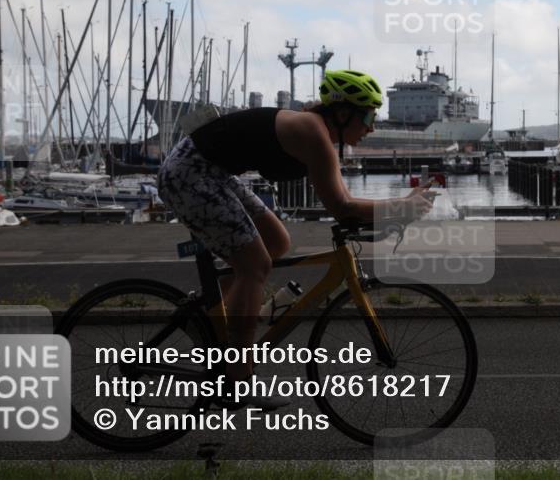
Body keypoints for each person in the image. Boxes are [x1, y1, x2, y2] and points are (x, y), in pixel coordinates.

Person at [157, 69, 435, 408]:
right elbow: (342, 206)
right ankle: (238, 378)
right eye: (368, 116)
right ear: (342, 113)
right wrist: (400, 207)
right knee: (255, 265)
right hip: (189, 175)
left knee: (277, 242)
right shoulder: (312, 132)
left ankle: (207, 314)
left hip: (210, 172)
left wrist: (397, 209)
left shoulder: (318, 132)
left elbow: (345, 203)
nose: (372, 127)